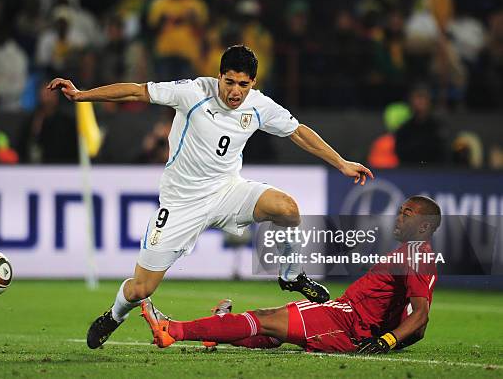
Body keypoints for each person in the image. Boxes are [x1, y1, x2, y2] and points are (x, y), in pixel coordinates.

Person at [47, 44, 374, 349]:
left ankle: (290, 274)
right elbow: (136, 90)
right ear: (218, 76)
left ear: (253, 83)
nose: (235, 92)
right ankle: (115, 315)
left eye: (243, 85)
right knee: (140, 288)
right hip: (181, 203)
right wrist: (81, 96)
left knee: (287, 209)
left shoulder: (258, 105)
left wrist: (341, 163)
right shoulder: (193, 92)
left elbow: (298, 131)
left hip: (227, 190)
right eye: (229, 82)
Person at [141, 195, 440, 354]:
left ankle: (172, 329)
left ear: (424, 225)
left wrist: (385, 341)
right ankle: (217, 331)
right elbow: (418, 327)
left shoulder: (416, 254)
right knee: (271, 333)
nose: (398, 217)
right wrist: (388, 340)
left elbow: (421, 316)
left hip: (345, 320)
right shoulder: (417, 255)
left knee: (265, 319)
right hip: (348, 323)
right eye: (400, 210)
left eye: (407, 214)